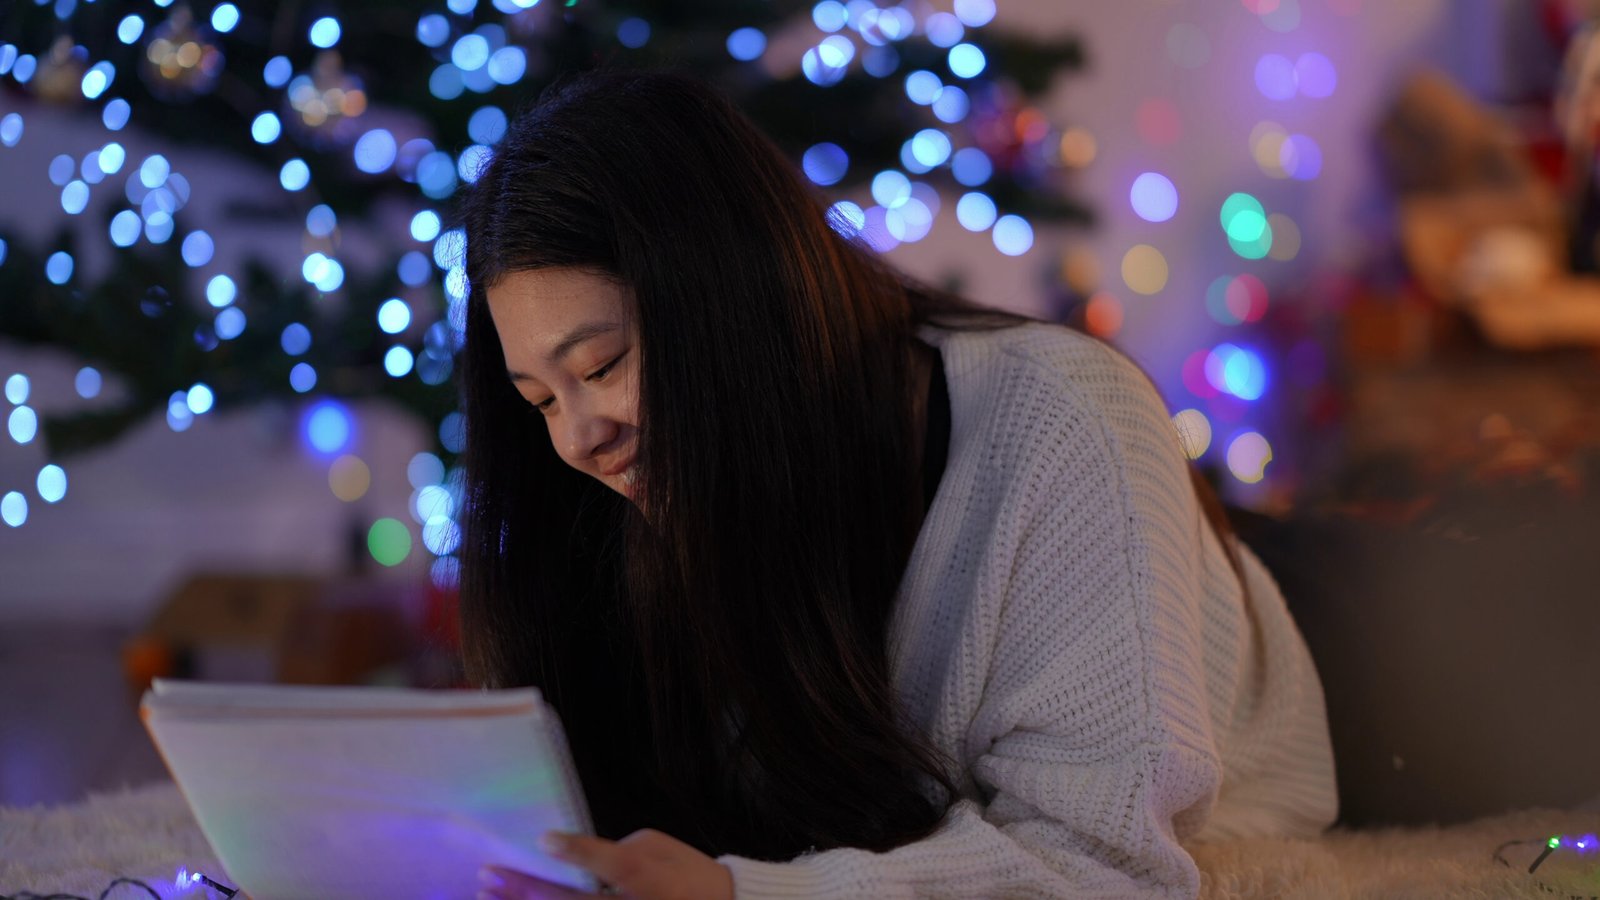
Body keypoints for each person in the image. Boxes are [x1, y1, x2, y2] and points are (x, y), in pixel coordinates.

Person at [455, 68, 1337, 900]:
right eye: (538, 400)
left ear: (729, 305)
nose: (578, 437)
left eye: (602, 365)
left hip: (1349, 650)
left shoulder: (1059, 412)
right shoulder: (626, 499)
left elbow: (1105, 865)